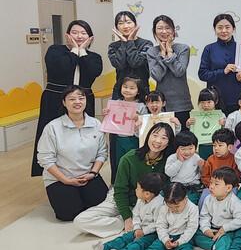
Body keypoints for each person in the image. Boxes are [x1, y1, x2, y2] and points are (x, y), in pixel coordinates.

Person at [73, 123, 176, 238]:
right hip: (121, 198)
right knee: (80, 221)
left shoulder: (170, 162)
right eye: (155, 135)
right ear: (148, 136)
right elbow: (120, 190)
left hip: (146, 205)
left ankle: (131, 221)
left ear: (169, 142)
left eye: (164, 138)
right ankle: (123, 222)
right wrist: (126, 217)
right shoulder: (129, 158)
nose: (158, 141)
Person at [32, 20, 103, 176]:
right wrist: (75, 50)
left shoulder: (94, 57)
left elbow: (93, 71)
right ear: (67, 35)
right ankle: (54, 173)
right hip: (55, 99)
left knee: (83, 137)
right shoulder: (55, 51)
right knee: (54, 136)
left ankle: (84, 169)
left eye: (83, 33)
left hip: (83, 101)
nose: (79, 36)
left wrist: (82, 52)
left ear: (90, 37)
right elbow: (62, 68)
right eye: (75, 32)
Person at [36, 85, 108, 221]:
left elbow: (102, 153)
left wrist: (93, 173)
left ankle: (82, 197)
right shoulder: (53, 127)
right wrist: (66, 180)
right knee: (68, 214)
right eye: (72, 99)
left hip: (88, 176)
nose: (77, 102)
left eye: (81, 98)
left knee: (103, 207)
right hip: (60, 179)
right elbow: (45, 158)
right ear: (64, 102)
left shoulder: (96, 124)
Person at [93, 172, 165, 250]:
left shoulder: (159, 204)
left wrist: (144, 231)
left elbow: (158, 224)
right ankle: (104, 248)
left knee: (139, 244)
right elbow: (136, 214)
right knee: (125, 237)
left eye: (137, 188)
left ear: (147, 194)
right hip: (140, 228)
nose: (135, 190)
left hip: (153, 233)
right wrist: (137, 227)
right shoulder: (140, 199)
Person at [127, 182, 199, 250]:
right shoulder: (164, 208)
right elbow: (160, 225)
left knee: (185, 249)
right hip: (167, 235)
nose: (174, 210)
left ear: (185, 199)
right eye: (170, 207)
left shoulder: (193, 208)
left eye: (177, 206)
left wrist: (180, 241)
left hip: (183, 236)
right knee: (155, 248)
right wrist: (165, 239)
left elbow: (191, 228)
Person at [198, 13, 241, 115]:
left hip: (237, 99)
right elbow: (202, 74)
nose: (223, 31)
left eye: (227, 27)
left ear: (233, 29)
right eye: (220, 27)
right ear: (215, 29)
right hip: (215, 101)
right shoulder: (209, 49)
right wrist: (223, 71)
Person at [195, 167, 241, 250]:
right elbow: (204, 216)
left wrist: (224, 228)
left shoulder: (234, 201)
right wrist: (206, 229)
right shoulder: (208, 199)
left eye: (216, 184)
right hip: (213, 228)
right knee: (196, 234)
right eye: (211, 183)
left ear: (228, 188)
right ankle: (215, 245)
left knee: (226, 239)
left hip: (227, 230)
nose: (211, 186)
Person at [146, 15, 193, 127]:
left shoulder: (183, 48)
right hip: (160, 105)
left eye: (167, 28)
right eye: (160, 28)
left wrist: (170, 53)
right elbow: (157, 76)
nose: (164, 31)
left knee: (182, 135)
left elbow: (179, 71)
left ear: (173, 30)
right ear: (154, 31)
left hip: (181, 103)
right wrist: (162, 55)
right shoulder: (152, 52)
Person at [107, 76, 148, 182]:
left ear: (138, 91)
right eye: (125, 87)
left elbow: (145, 125)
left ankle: (134, 183)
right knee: (120, 162)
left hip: (134, 139)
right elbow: (110, 120)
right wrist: (107, 113)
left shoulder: (141, 106)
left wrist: (138, 118)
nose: (127, 90)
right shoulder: (115, 103)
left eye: (132, 88)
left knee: (133, 162)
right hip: (118, 139)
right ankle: (120, 183)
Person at [108, 11, 152, 100]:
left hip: (142, 91)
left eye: (128, 22)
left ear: (135, 24)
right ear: (116, 27)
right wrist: (124, 43)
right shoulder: (113, 46)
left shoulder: (146, 44)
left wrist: (130, 41)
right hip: (120, 92)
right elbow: (119, 65)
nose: (125, 26)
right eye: (121, 23)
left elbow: (135, 62)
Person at [164, 131, 204, 203]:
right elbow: (169, 173)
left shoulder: (196, 157)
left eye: (190, 148)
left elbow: (201, 174)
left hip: (192, 186)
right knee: (172, 201)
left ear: (195, 147)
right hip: (176, 186)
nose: (187, 152)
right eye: (183, 149)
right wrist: (179, 161)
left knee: (191, 201)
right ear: (176, 149)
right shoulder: (172, 158)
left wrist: (201, 167)